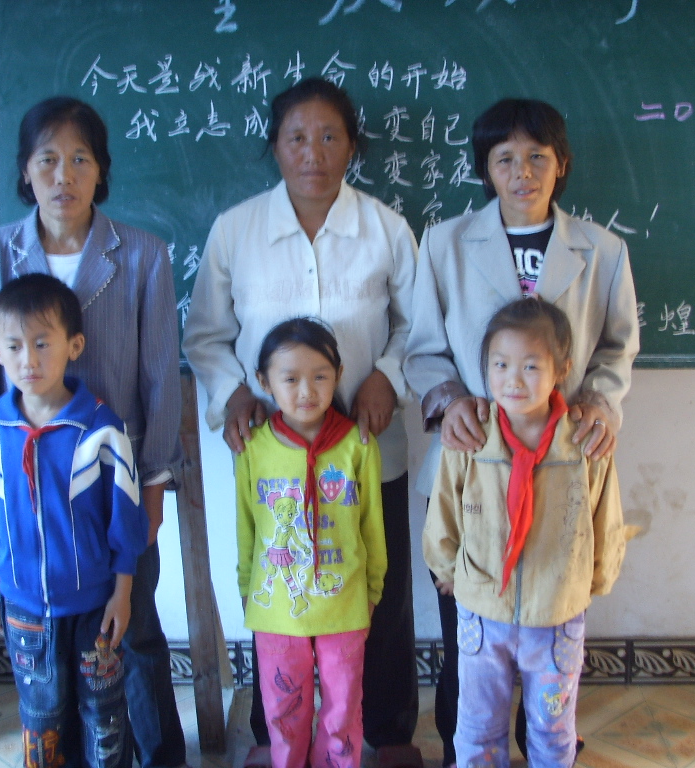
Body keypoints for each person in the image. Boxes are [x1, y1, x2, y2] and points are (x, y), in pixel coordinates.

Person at [183, 77, 421, 767]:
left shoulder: (386, 229)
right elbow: (205, 335)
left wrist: (388, 374)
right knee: (279, 588)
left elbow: (420, 325)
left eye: (329, 136)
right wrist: (234, 392)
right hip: (275, 457)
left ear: (352, 146)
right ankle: (276, 737)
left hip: (366, 445)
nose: (312, 152)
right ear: (275, 146)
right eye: (296, 137)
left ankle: (387, 734)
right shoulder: (236, 230)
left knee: (381, 589)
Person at [403, 98, 639, 765]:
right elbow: (423, 348)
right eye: (504, 158)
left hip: (562, 460)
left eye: (538, 156)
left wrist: (599, 402)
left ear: (562, 164)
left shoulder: (602, 250)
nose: (522, 171)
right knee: (469, 631)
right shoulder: (445, 244)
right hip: (473, 461)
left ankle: (548, 743)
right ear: (485, 168)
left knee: (551, 626)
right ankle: (468, 745)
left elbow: (618, 347)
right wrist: (449, 399)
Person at [0, 96, 186, 768]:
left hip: (113, 487)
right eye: (48, 160)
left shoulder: (142, 256)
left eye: (81, 159)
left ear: (101, 170)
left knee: (133, 628)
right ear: (25, 171)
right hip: (28, 491)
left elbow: (160, 379)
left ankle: (159, 755)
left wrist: (154, 486)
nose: (65, 175)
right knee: (48, 643)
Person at [423, 298, 627, 767]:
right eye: (501, 365)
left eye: (531, 366)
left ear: (562, 369)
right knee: (478, 726)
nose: (513, 380)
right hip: (482, 613)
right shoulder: (472, 435)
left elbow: (605, 515)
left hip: (556, 614)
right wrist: (447, 567)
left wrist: (595, 578)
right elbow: (445, 508)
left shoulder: (583, 440)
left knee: (553, 728)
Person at [0, 274, 146, 768]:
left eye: (42, 343)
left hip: (94, 606)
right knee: (41, 713)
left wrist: (123, 590)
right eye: (14, 346)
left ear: (74, 346)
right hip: (22, 605)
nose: (29, 360)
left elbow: (126, 516)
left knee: (103, 714)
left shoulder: (100, 428)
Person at [237, 317, 387, 768]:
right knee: (284, 713)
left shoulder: (358, 445)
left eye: (320, 377)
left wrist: (372, 589)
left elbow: (372, 525)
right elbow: (247, 525)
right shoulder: (253, 448)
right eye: (290, 379)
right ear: (264, 382)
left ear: (338, 376)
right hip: (277, 615)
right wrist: (247, 588)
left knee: (343, 710)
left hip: (345, 605)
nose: (306, 391)